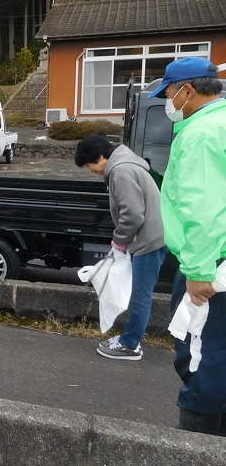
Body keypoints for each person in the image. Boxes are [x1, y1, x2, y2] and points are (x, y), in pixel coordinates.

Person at [149, 56, 226, 435]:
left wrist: (198, 272)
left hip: (210, 266)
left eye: (168, 94)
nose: (168, 102)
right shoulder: (221, 123)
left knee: (201, 356)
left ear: (187, 91)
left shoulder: (200, 134)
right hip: (218, 260)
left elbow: (203, 208)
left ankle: (198, 447)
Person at [74, 134, 167, 361]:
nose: (91, 170)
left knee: (139, 296)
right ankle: (129, 339)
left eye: (90, 165)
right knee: (139, 293)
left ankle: (130, 345)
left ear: (101, 157)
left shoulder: (120, 171)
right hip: (153, 237)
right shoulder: (126, 164)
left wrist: (119, 240)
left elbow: (133, 215)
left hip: (149, 241)